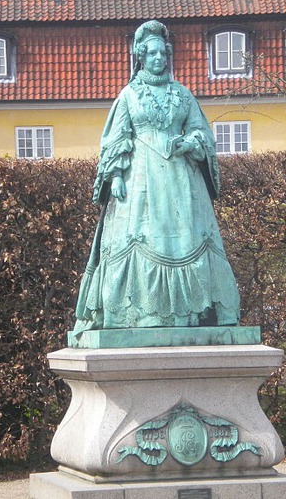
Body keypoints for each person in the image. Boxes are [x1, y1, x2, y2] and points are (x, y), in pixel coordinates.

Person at [73, 20, 240, 337]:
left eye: (163, 54)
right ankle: (136, 313)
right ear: (141, 56)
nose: (158, 59)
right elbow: (115, 138)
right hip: (141, 181)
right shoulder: (128, 96)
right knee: (139, 237)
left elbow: (201, 131)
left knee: (190, 239)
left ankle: (196, 312)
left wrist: (191, 143)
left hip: (182, 180)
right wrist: (117, 176)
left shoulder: (182, 94)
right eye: (151, 54)